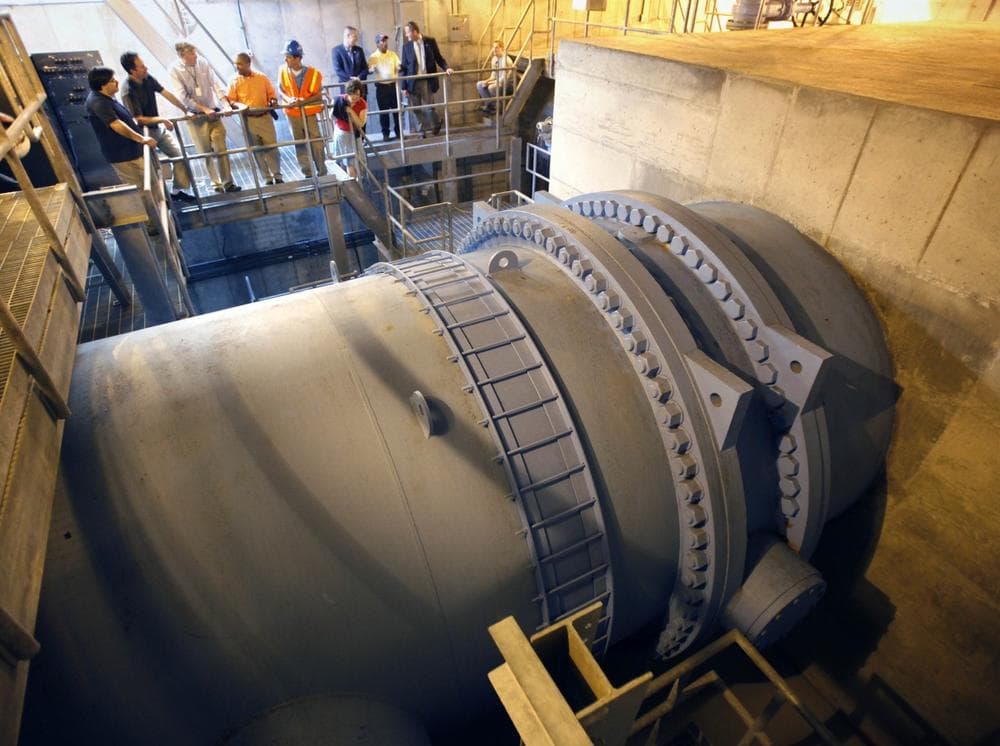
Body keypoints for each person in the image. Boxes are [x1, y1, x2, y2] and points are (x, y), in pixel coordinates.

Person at [84, 66, 161, 219]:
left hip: (132, 152)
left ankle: (159, 218)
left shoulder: (106, 98)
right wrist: (141, 139)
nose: (117, 82)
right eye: (113, 81)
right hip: (125, 156)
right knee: (143, 191)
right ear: (103, 85)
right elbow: (116, 124)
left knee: (151, 186)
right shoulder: (99, 102)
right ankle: (154, 225)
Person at [119, 51, 194, 201]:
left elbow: (166, 93)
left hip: (157, 129)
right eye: (141, 66)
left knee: (180, 156)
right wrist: (161, 119)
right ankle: (163, 200)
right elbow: (137, 119)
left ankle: (177, 192)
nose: (146, 68)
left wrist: (185, 110)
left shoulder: (148, 79)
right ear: (132, 71)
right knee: (154, 169)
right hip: (144, 133)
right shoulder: (128, 90)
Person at [169, 41, 240, 193]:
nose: (196, 56)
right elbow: (183, 96)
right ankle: (216, 183)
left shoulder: (202, 63)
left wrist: (225, 104)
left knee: (221, 147)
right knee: (205, 151)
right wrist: (203, 109)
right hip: (196, 117)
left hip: (213, 113)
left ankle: (228, 182)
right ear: (183, 55)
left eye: (195, 52)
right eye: (192, 54)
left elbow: (216, 84)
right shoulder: (175, 70)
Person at [227, 52, 283, 185]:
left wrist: (273, 101)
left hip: (265, 117)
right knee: (257, 150)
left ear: (248, 64)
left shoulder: (261, 78)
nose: (237, 67)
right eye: (236, 64)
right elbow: (231, 100)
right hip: (248, 120)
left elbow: (271, 94)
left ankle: (277, 175)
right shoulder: (234, 81)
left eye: (240, 64)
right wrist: (239, 105)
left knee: (272, 148)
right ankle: (267, 178)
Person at [277, 39, 327, 178]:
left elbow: (318, 95)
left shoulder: (313, 73)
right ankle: (308, 173)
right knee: (299, 143)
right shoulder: (282, 71)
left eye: (288, 56)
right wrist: (289, 100)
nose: (285, 59)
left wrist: (303, 101)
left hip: (309, 113)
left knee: (316, 141)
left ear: (297, 58)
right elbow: (280, 90)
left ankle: (322, 170)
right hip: (292, 114)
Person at [399, 21, 452, 137]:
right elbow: (403, 68)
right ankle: (421, 131)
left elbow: (438, 57)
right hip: (412, 82)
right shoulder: (406, 47)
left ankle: (435, 126)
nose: (406, 35)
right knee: (416, 109)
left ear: (415, 32)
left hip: (427, 80)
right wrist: (403, 87)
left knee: (429, 108)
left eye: (408, 33)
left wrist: (446, 68)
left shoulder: (430, 42)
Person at [367, 32, 401, 140]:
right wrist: (371, 70)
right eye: (382, 41)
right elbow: (369, 70)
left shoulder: (393, 54)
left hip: (393, 86)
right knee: (384, 112)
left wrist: (399, 67)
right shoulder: (373, 56)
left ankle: (398, 132)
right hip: (381, 87)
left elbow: (398, 65)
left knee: (396, 111)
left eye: (386, 41)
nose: (385, 43)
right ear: (377, 44)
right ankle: (385, 134)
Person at [331, 79, 367, 178]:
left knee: (358, 162)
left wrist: (350, 111)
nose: (355, 97)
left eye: (358, 94)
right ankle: (354, 184)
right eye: (352, 94)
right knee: (349, 162)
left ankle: (357, 184)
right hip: (342, 134)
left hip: (354, 135)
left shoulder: (362, 104)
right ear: (348, 93)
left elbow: (360, 123)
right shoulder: (339, 100)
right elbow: (331, 116)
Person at [476, 40, 514, 117]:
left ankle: (499, 108)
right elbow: (493, 75)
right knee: (479, 84)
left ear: (502, 49)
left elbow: (503, 79)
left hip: (508, 84)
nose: (494, 49)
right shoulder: (494, 59)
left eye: (496, 47)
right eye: (493, 47)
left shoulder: (506, 60)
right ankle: (491, 106)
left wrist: (490, 83)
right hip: (499, 82)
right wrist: (486, 81)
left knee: (491, 87)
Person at [331, 26, 368, 99]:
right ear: (348, 36)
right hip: (347, 90)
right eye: (355, 36)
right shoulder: (336, 51)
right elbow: (338, 70)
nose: (357, 39)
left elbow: (365, 68)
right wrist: (352, 80)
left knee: (362, 110)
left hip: (360, 89)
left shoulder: (359, 50)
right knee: (348, 110)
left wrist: (359, 78)